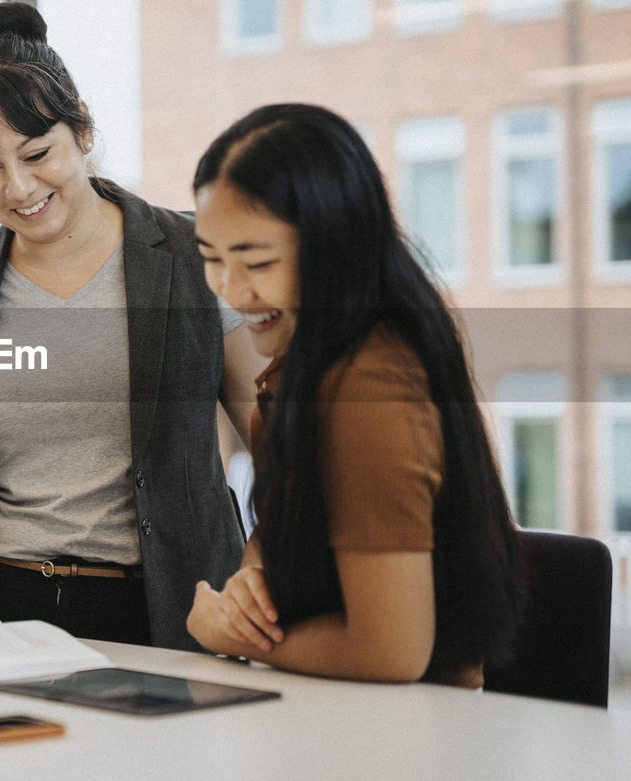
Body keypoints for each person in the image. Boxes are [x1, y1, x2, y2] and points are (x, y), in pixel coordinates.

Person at [0, 2, 264, 650]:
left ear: (84, 131)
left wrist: (264, 563)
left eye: (37, 153)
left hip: (166, 611)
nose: (18, 188)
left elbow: (272, 441)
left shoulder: (193, 258)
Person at [187, 104, 523, 686]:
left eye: (257, 262)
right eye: (211, 259)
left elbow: (392, 652)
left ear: (334, 246)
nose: (232, 291)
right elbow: (295, 515)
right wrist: (254, 577)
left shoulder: (368, 389)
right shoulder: (309, 354)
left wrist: (229, 636)